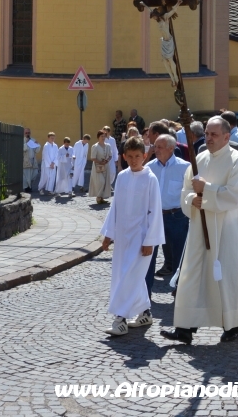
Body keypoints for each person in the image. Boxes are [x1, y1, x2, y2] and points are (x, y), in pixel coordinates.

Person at [161, 117, 238, 346]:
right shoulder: (198, 160)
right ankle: (184, 328)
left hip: (229, 228)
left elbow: (237, 194)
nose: (208, 138)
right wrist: (192, 198)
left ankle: (231, 324)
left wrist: (207, 191)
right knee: (192, 274)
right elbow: (185, 191)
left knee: (227, 275)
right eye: (207, 133)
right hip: (199, 228)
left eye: (214, 134)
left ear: (226, 137)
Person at [100, 136, 164, 336]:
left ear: (144, 156)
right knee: (125, 273)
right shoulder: (122, 177)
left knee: (129, 275)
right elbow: (115, 207)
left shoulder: (150, 178)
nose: (134, 160)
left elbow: (155, 211)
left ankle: (120, 318)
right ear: (124, 157)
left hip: (141, 237)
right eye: (130, 156)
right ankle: (144, 312)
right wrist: (109, 234)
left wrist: (150, 241)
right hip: (123, 236)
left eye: (138, 156)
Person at [146, 134, 191, 291]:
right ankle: (145, 292)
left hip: (177, 216)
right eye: (155, 146)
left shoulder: (185, 168)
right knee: (149, 256)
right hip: (154, 217)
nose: (155, 150)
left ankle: (180, 291)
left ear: (171, 149)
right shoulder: (149, 168)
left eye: (159, 147)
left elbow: (191, 192)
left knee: (180, 256)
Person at [89, 131, 113, 204]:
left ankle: (101, 197)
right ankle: (98, 197)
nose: (103, 138)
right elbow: (93, 157)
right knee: (101, 181)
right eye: (101, 136)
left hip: (106, 166)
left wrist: (107, 160)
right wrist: (100, 162)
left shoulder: (108, 145)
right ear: (98, 137)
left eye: (104, 136)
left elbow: (110, 155)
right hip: (98, 167)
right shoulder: (95, 146)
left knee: (105, 182)